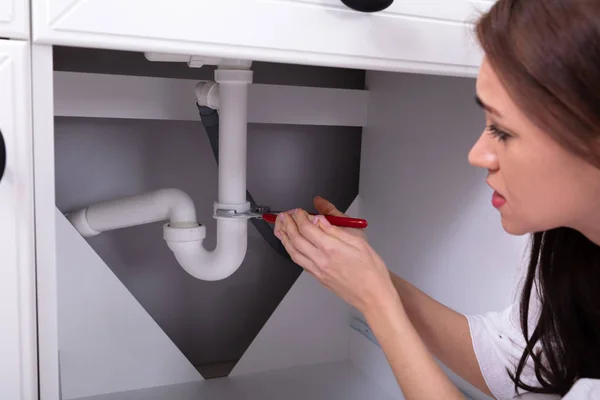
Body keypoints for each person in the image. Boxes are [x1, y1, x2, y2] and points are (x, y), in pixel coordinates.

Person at [273, 1, 600, 399]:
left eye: (503, 131)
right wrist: (366, 274)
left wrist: (377, 302)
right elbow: (521, 364)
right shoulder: (577, 254)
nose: (477, 155)